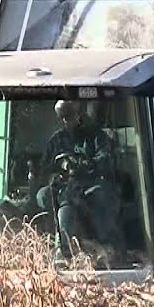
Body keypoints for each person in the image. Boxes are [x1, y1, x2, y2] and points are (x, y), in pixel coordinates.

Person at [35, 99, 123, 255]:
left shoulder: (96, 137)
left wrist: (82, 165)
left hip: (91, 185)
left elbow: (105, 160)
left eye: (68, 116)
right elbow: (45, 169)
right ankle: (58, 243)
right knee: (42, 195)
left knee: (100, 196)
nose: (65, 120)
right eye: (62, 117)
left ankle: (107, 244)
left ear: (78, 114)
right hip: (64, 189)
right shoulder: (56, 140)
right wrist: (59, 169)